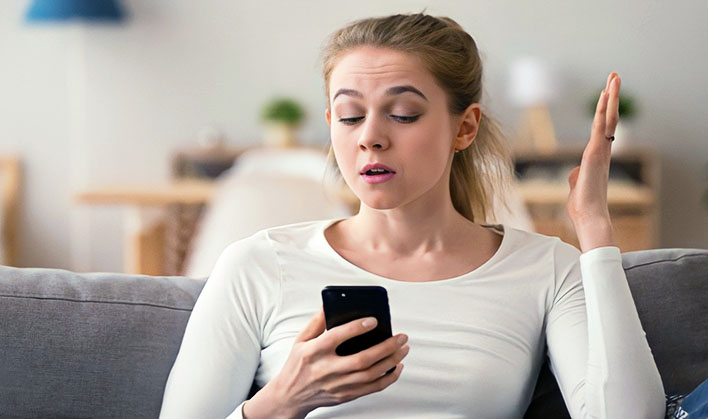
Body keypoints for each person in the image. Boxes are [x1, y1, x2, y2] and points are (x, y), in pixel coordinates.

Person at [159, 13, 665, 418]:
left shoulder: (547, 268)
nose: (370, 136)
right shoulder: (257, 264)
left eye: (402, 114)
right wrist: (282, 402)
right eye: (351, 115)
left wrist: (595, 231)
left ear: (464, 128)